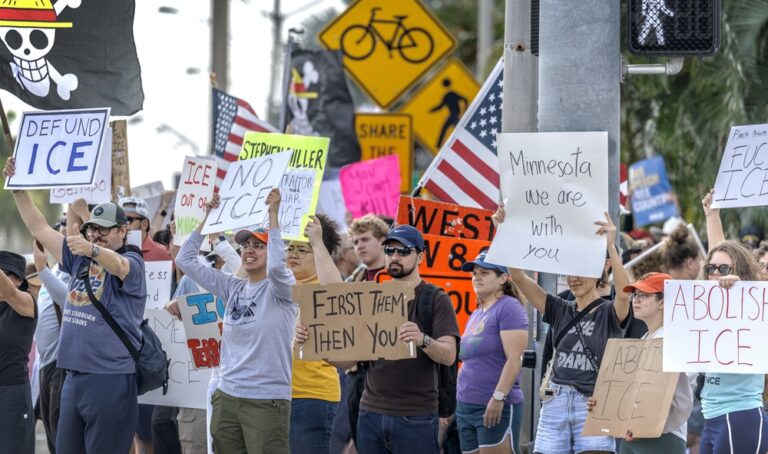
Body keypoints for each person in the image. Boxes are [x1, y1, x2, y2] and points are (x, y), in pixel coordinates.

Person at [7, 156, 147, 453]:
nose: (97, 234)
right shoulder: (80, 258)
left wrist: (91, 247)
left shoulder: (133, 261)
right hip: (72, 377)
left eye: (105, 229)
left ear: (123, 232)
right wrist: (17, 188)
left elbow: (120, 265)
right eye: (93, 228)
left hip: (109, 380)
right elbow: (40, 228)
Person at [494, 204, 630, 454]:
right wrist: (504, 232)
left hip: (591, 404)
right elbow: (519, 277)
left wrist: (611, 245)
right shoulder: (559, 308)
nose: (573, 278)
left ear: (599, 271)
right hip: (555, 400)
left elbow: (625, 294)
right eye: (569, 272)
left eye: (581, 271)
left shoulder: (608, 312)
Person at [175, 189, 296, 453]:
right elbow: (184, 260)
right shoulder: (233, 286)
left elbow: (276, 267)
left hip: (266, 401)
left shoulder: (282, 289)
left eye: (259, 245)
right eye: (246, 245)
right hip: (227, 397)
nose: (249, 251)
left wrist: (273, 214)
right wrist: (208, 216)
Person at [356, 224, 460, 453]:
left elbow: (449, 355)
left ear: (420, 256)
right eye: (390, 251)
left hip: (416, 417)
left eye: (404, 251)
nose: (395, 257)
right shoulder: (371, 296)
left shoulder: (435, 298)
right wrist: (317, 343)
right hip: (370, 413)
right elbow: (348, 360)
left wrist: (423, 339)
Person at [589, 272, 693, 453]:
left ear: (663, 301)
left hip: (662, 437)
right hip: (633, 434)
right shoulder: (646, 338)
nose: (635, 300)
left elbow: (667, 396)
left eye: (643, 295)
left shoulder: (673, 341)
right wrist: (603, 404)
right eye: (634, 295)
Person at [456, 252, 528, 454]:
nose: (476, 277)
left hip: (494, 406)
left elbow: (515, 360)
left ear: (503, 278)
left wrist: (498, 398)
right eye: (474, 273)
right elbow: (468, 361)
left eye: (484, 273)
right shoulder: (477, 312)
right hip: (465, 406)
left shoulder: (509, 307)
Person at [286, 214, 342, 454]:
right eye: (290, 247)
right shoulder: (278, 285)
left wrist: (318, 241)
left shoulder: (324, 285)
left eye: (303, 249)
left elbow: (337, 294)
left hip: (310, 396)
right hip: (273, 395)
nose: (293, 254)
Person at [33, 238, 71, 454]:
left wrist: (42, 270)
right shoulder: (53, 273)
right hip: (45, 365)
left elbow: (68, 299)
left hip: (60, 364)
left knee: (60, 431)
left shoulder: (69, 275)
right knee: (50, 430)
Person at [0, 250, 37, 454]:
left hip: (11, 393)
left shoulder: (26, 303)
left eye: (6, 273)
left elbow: (9, 293)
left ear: (18, 280)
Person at [118, 196, 173, 262]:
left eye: (128, 220)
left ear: (144, 224)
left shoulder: (162, 253)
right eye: (119, 220)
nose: (123, 226)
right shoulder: (112, 250)